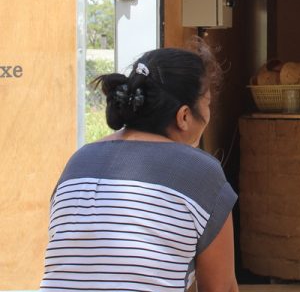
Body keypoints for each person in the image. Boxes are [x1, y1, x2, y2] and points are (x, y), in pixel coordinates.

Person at [39, 41, 239, 292]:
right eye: (207, 103)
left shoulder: (79, 161)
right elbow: (221, 288)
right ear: (184, 116)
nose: (209, 113)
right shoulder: (202, 172)